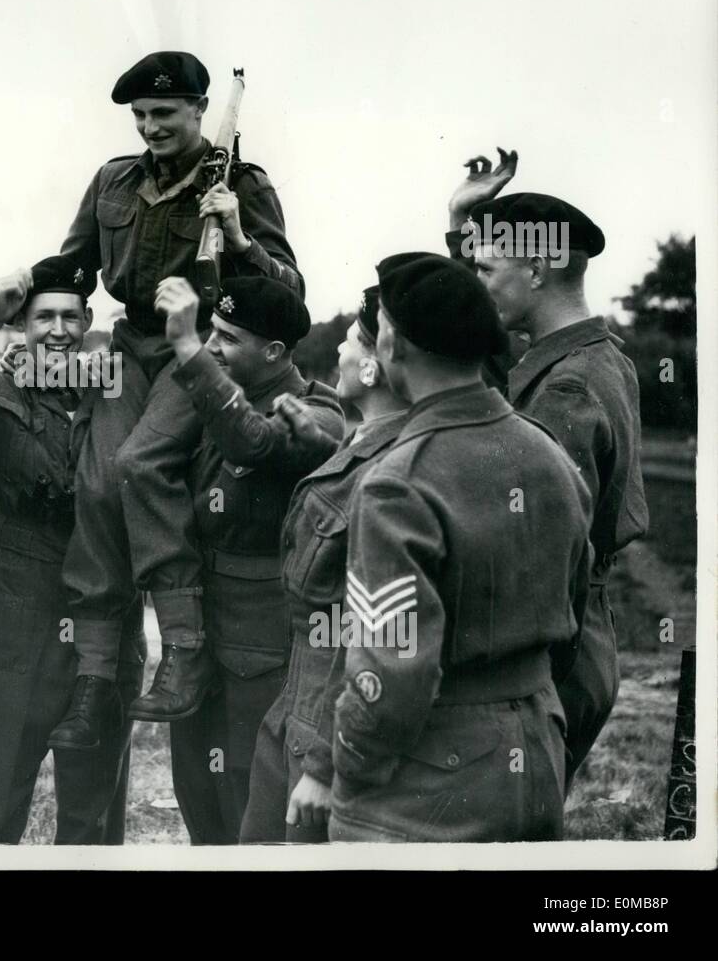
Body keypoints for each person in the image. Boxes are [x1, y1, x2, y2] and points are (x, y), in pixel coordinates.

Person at [51, 51, 303, 749]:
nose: (150, 127)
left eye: (164, 114)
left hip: (199, 348)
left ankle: (185, 650)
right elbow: (71, 266)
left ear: (199, 111)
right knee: (98, 483)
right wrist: (35, 324)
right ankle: (98, 679)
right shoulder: (113, 180)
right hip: (128, 342)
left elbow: (291, 293)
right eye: (139, 116)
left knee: (140, 463)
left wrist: (241, 234)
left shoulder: (242, 183)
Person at [328, 252, 592, 842]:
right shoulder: (549, 453)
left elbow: (388, 673)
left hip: (427, 781)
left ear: (391, 345)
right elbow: (576, 607)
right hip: (537, 752)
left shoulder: (397, 481)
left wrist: (347, 767)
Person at [0, 255, 145, 843]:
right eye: (44, 318)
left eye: (70, 316)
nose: (59, 331)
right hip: (22, 600)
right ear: (23, 324)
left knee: (93, 813)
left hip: (108, 602)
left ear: (88, 318)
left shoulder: (115, 391)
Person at [140, 274, 343, 843]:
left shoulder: (316, 413)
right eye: (209, 332)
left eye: (227, 338)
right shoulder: (209, 396)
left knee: (246, 801)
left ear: (274, 352)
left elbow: (251, 440)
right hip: (202, 629)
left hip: (263, 642)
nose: (211, 347)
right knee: (197, 791)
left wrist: (185, 348)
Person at [460, 185, 649, 785]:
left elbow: (540, 553)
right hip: (581, 632)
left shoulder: (566, 388)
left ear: (536, 269)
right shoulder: (599, 359)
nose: (477, 283)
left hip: (553, 645)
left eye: (486, 268)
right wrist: (460, 219)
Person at [239, 285, 410, 844]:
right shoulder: (360, 441)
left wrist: (322, 765)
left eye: (350, 340)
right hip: (297, 701)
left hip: (325, 716)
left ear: (376, 366)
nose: (337, 349)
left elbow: (374, 632)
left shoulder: (395, 468)